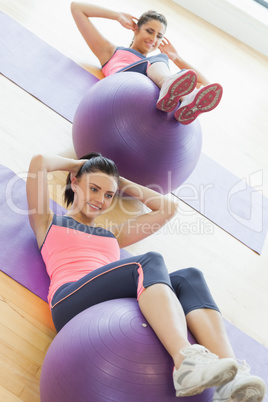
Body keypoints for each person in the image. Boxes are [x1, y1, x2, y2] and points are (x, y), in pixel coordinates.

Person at [26, 152, 266, 400]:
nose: (100, 199)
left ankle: (232, 379)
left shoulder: (113, 236)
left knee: (189, 278)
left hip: (107, 300)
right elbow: (39, 162)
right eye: (94, 188)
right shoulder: (47, 222)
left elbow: (167, 208)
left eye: (109, 195)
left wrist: (119, 182)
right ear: (74, 182)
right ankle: (185, 360)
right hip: (69, 301)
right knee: (149, 261)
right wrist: (81, 165)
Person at [70, 3, 223, 125]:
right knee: (160, 59)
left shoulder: (157, 67)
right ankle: (170, 86)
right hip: (123, 84)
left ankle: (187, 102)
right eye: (149, 31)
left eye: (159, 36)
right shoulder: (109, 51)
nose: (153, 39)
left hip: (150, 95)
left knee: (177, 74)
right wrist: (117, 16)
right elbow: (77, 8)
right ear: (136, 29)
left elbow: (206, 86)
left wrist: (177, 58)